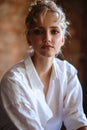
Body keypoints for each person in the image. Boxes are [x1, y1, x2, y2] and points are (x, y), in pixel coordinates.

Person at [0, 0, 87, 130]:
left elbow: (77, 121)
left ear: (63, 39)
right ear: (28, 38)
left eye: (54, 31)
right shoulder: (13, 81)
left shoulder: (68, 73)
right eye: (38, 31)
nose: (47, 38)